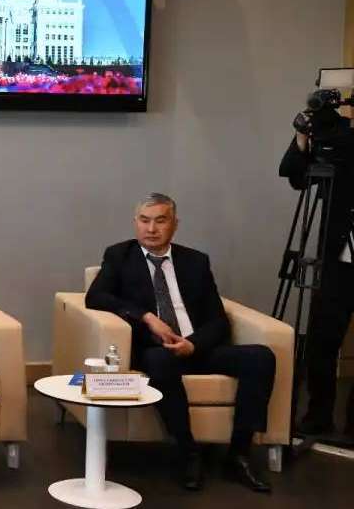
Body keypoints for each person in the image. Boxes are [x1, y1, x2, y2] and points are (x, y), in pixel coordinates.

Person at [86, 193, 274, 493]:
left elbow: (218, 319)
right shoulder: (119, 256)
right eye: (144, 221)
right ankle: (188, 451)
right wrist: (147, 317)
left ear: (175, 225)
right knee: (160, 361)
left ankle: (238, 454)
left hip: (197, 347)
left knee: (261, 357)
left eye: (160, 221)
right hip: (154, 350)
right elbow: (95, 297)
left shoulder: (195, 261)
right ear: (135, 223)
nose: (151, 229)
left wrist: (194, 345)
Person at [280, 117, 354, 438]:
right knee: (321, 341)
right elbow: (292, 173)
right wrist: (302, 136)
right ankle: (318, 416)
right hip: (338, 259)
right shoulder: (339, 140)